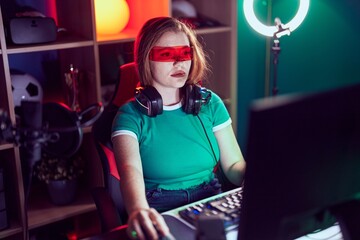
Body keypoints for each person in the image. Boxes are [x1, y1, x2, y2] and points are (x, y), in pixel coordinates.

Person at [111, 16, 246, 240]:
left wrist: (255, 178)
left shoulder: (210, 104)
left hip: (210, 200)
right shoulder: (129, 116)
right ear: (146, 59)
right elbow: (129, 171)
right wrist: (138, 210)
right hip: (160, 207)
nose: (179, 63)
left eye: (185, 53)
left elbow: (233, 164)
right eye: (166, 54)